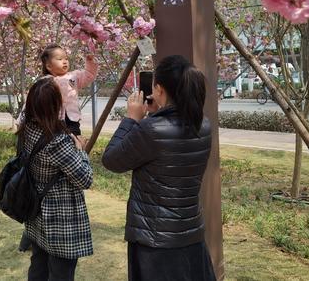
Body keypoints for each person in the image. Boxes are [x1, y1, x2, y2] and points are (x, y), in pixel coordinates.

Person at [102, 55, 216, 281]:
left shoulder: (151, 129)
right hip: (189, 233)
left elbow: (111, 160)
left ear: (160, 89)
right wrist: (157, 114)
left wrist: (132, 120)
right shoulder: (202, 125)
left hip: (155, 241)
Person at [18, 76, 93, 281]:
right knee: (61, 272)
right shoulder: (56, 142)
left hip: (37, 210)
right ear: (55, 106)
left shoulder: (26, 130)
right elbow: (85, 179)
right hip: (60, 216)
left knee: (39, 266)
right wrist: (80, 150)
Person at [40, 44, 98, 136]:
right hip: (53, 121)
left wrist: (90, 62)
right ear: (49, 66)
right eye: (60, 59)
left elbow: (89, 75)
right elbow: (31, 102)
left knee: (76, 141)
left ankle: (78, 148)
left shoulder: (74, 76)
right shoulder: (45, 82)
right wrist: (21, 120)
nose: (65, 62)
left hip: (72, 120)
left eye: (66, 58)